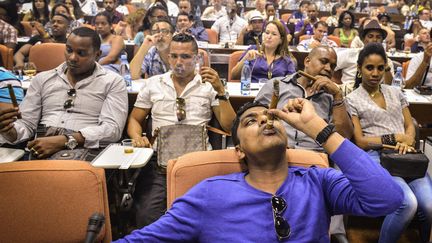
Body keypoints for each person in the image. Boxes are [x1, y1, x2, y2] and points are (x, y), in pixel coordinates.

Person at [114, 97, 403, 242]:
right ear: (238, 149)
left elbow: (387, 199)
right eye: (251, 121)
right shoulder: (210, 194)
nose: (266, 121)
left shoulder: (318, 180)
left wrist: (318, 129)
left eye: (271, 118)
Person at [127, 33, 236, 227]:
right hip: (159, 163)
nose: (179, 61)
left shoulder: (209, 86)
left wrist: (220, 90)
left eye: (185, 57)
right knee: (146, 216)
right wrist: (137, 136)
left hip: (199, 162)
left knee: (204, 217)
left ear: (196, 58)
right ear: (168, 57)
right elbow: (135, 119)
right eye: (174, 56)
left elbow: (229, 126)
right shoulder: (154, 83)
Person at [346, 42, 432, 243]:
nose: (375, 73)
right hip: (376, 157)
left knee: (429, 206)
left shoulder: (396, 92)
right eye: (369, 67)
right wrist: (395, 138)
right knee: (407, 204)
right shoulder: (352, 99)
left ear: (386, 67)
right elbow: (360, 141)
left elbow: (410, 125)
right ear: (359, 69)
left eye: (380, 67)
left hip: (406, 154)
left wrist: (407, 139)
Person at [0, 27, 128, 158]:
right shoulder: (43, 79)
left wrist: (65, 140)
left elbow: (112, 130)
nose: (72, 58)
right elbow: (26, 124)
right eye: (69, 50)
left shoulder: (112, 82)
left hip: (86, 146)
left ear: (97, 54)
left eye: (81, 53)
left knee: (62, 176)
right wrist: (10, 131)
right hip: (41, 146)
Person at [255, 46, 353, 149]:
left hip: (315, 158)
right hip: (275, 150)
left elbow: (345, 137)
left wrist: (337, 96)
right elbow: (253, 118)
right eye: (324, 62)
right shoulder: (276, 85)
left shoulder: (335, 97)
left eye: (333, 66)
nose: (328, 69)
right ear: (307, 61)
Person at [232, 20, 296, 83]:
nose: (269, 36)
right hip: (252, 91)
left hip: (275, 92)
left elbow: (292, 83)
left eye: (274, 34)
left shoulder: (286, 59)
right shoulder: (252, 50)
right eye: (267, 33)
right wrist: (245, 58)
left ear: (281, 40)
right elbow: (234, 76)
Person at [334, 20, 394, 85]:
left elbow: (389, 86)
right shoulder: (350, 54)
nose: (374, 40)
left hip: (375, 93)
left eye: (378, 37)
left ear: (382, 41)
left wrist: (386, 65)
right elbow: (330, 68)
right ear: (363, 39)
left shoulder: (387, 61)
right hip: (349, 91)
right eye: (370, 36)